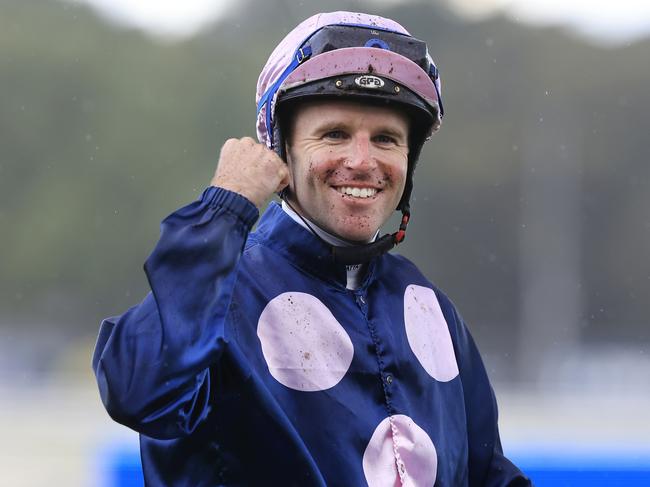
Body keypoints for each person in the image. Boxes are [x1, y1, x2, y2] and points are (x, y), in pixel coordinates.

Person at [93, 11, 531, 487]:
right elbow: (137, 391)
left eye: (386, 139)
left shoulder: (431, 307)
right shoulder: (220, 292)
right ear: (281, 151)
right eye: (335, 134)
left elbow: (489, 476)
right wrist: (226, 206)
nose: (362, 161)